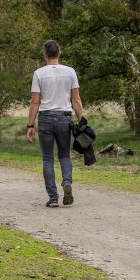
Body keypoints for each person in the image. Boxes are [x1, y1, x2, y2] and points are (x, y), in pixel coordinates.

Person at [26, 40, 84, 207]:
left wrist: (30, 125)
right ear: (59, 53)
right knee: (64, 155)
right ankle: (67, 181)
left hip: (45, 119)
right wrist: (81, 121)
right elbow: (76, 99)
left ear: (45, 54)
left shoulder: (39, 74)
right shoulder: (70, 72)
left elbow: (35, 102)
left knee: (47, 159)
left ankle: (53, 198)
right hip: (64, 118)